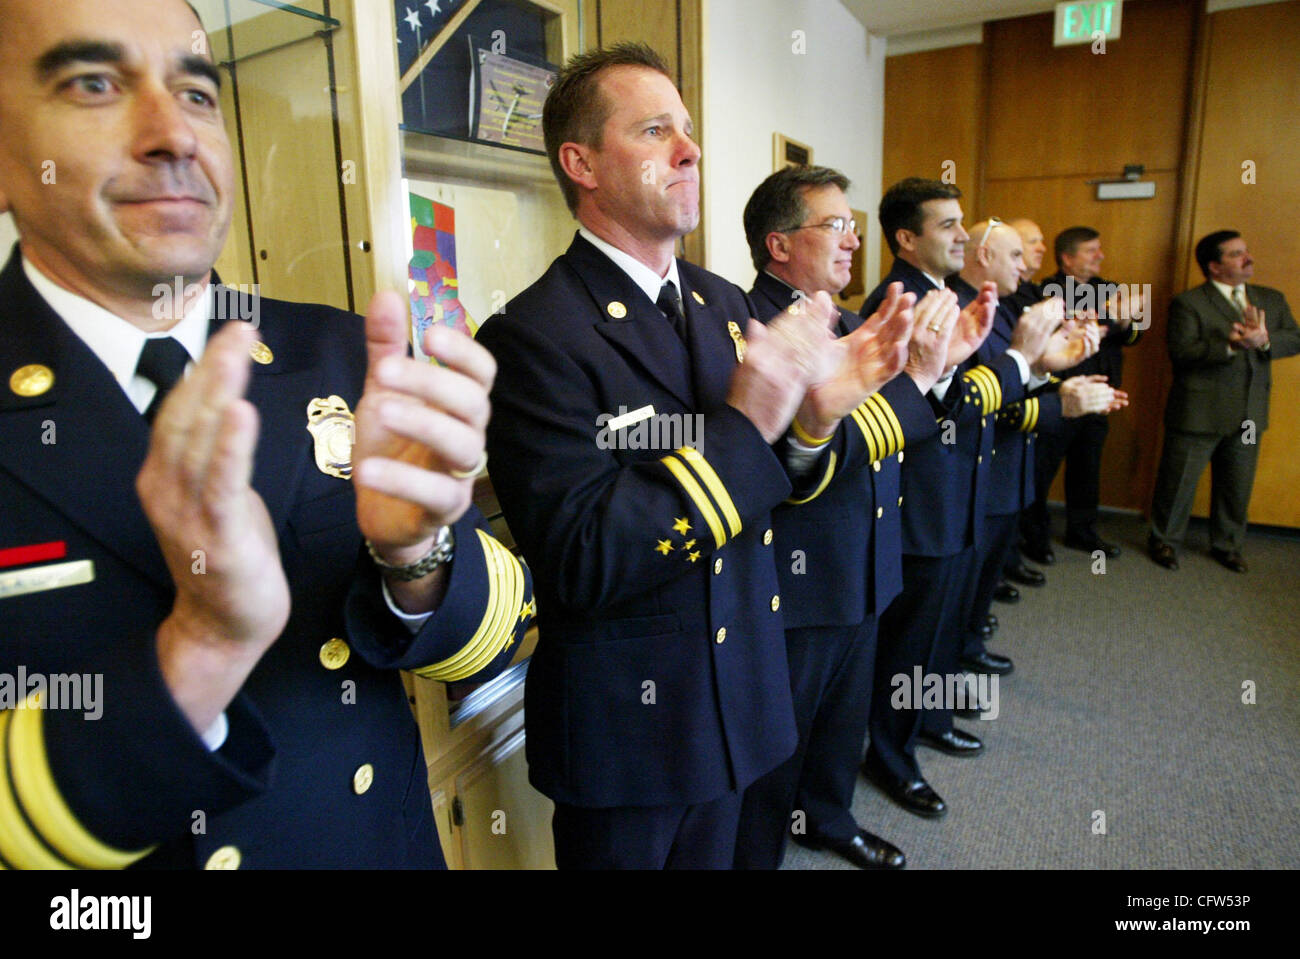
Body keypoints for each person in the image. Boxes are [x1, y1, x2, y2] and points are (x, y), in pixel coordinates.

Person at [0, 0, 532, 869]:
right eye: (94, 82)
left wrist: (418, 555)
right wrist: (200, 649)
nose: (173, 133)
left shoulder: (337, 350)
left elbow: (494, 631)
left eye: (199, 91)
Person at [477, 44, 909, 869]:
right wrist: (749, 428)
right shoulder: (533, 336)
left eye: (688, 130)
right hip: (632, 733)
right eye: (654, 131)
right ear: (583, 164)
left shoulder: (722, 302)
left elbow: (778, 487)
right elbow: (582, 557)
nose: (690, 149)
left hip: (745, 690)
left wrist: (814, 423)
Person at [734, 165, 956, 870]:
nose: (853, 240)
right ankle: (759, 851)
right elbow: (772, 458)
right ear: (778, 243)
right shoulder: (751, 330)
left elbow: (896, 430)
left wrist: (933, 368)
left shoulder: (856, 321)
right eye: (834, 225)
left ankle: (828, 816)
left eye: (854, 226)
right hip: (796, 577)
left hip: (864, 559)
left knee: (841, 719)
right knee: (779, 739)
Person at [859, 181, 1056, 817]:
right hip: (922, 502)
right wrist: (1023, 361)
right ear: (907, 239)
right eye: (948, 225)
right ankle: (892, 757)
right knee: (910, 643)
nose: (963, 236)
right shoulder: (898, 302)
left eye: (963, 223)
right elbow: (953, 406)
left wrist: (1031, 364)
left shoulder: (952, 296)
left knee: (940, 633)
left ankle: (931, 717)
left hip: (961, 491)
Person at [945, 220, 1120, 698]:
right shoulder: (962, 309)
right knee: (956, 595)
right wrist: (1057, 397)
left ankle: (969, 647)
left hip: (1005, 463)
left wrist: (1054, 369)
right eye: (1018, 255)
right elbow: (970, 404)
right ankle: (948, 672)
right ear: (985, 256)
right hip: (975, 467)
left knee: (980, 586)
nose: (1028, 266)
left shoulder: (1002, 305)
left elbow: (1019, 376)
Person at [1147, 231, 1300, 572]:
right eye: (1236, 254)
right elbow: (1182, 353)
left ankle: (1227, 545)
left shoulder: (1270, 300)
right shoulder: (1189, 303)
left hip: (1249, 413)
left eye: (1245, 251)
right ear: (1214, 267)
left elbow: (1295, 338)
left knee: (1237, 483)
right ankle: (1164, 541)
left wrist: (1263, 341)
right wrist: (1231, 346)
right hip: (1199, 412)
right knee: (1178, 481)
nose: (1248, 258)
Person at [1023, 226, 1142, 561]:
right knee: (1041, 471)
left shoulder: (1112, 289)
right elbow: (1065, 330)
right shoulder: (1046, 291)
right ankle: (1034, 538)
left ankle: (1083, 532)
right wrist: (1111, 316)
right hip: (1059, 397)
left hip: (1100, 396)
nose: (1100, 256)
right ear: (1067, 258)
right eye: (1092, 251)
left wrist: (1122, 321)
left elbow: (1135, 335)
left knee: (1087, 469)